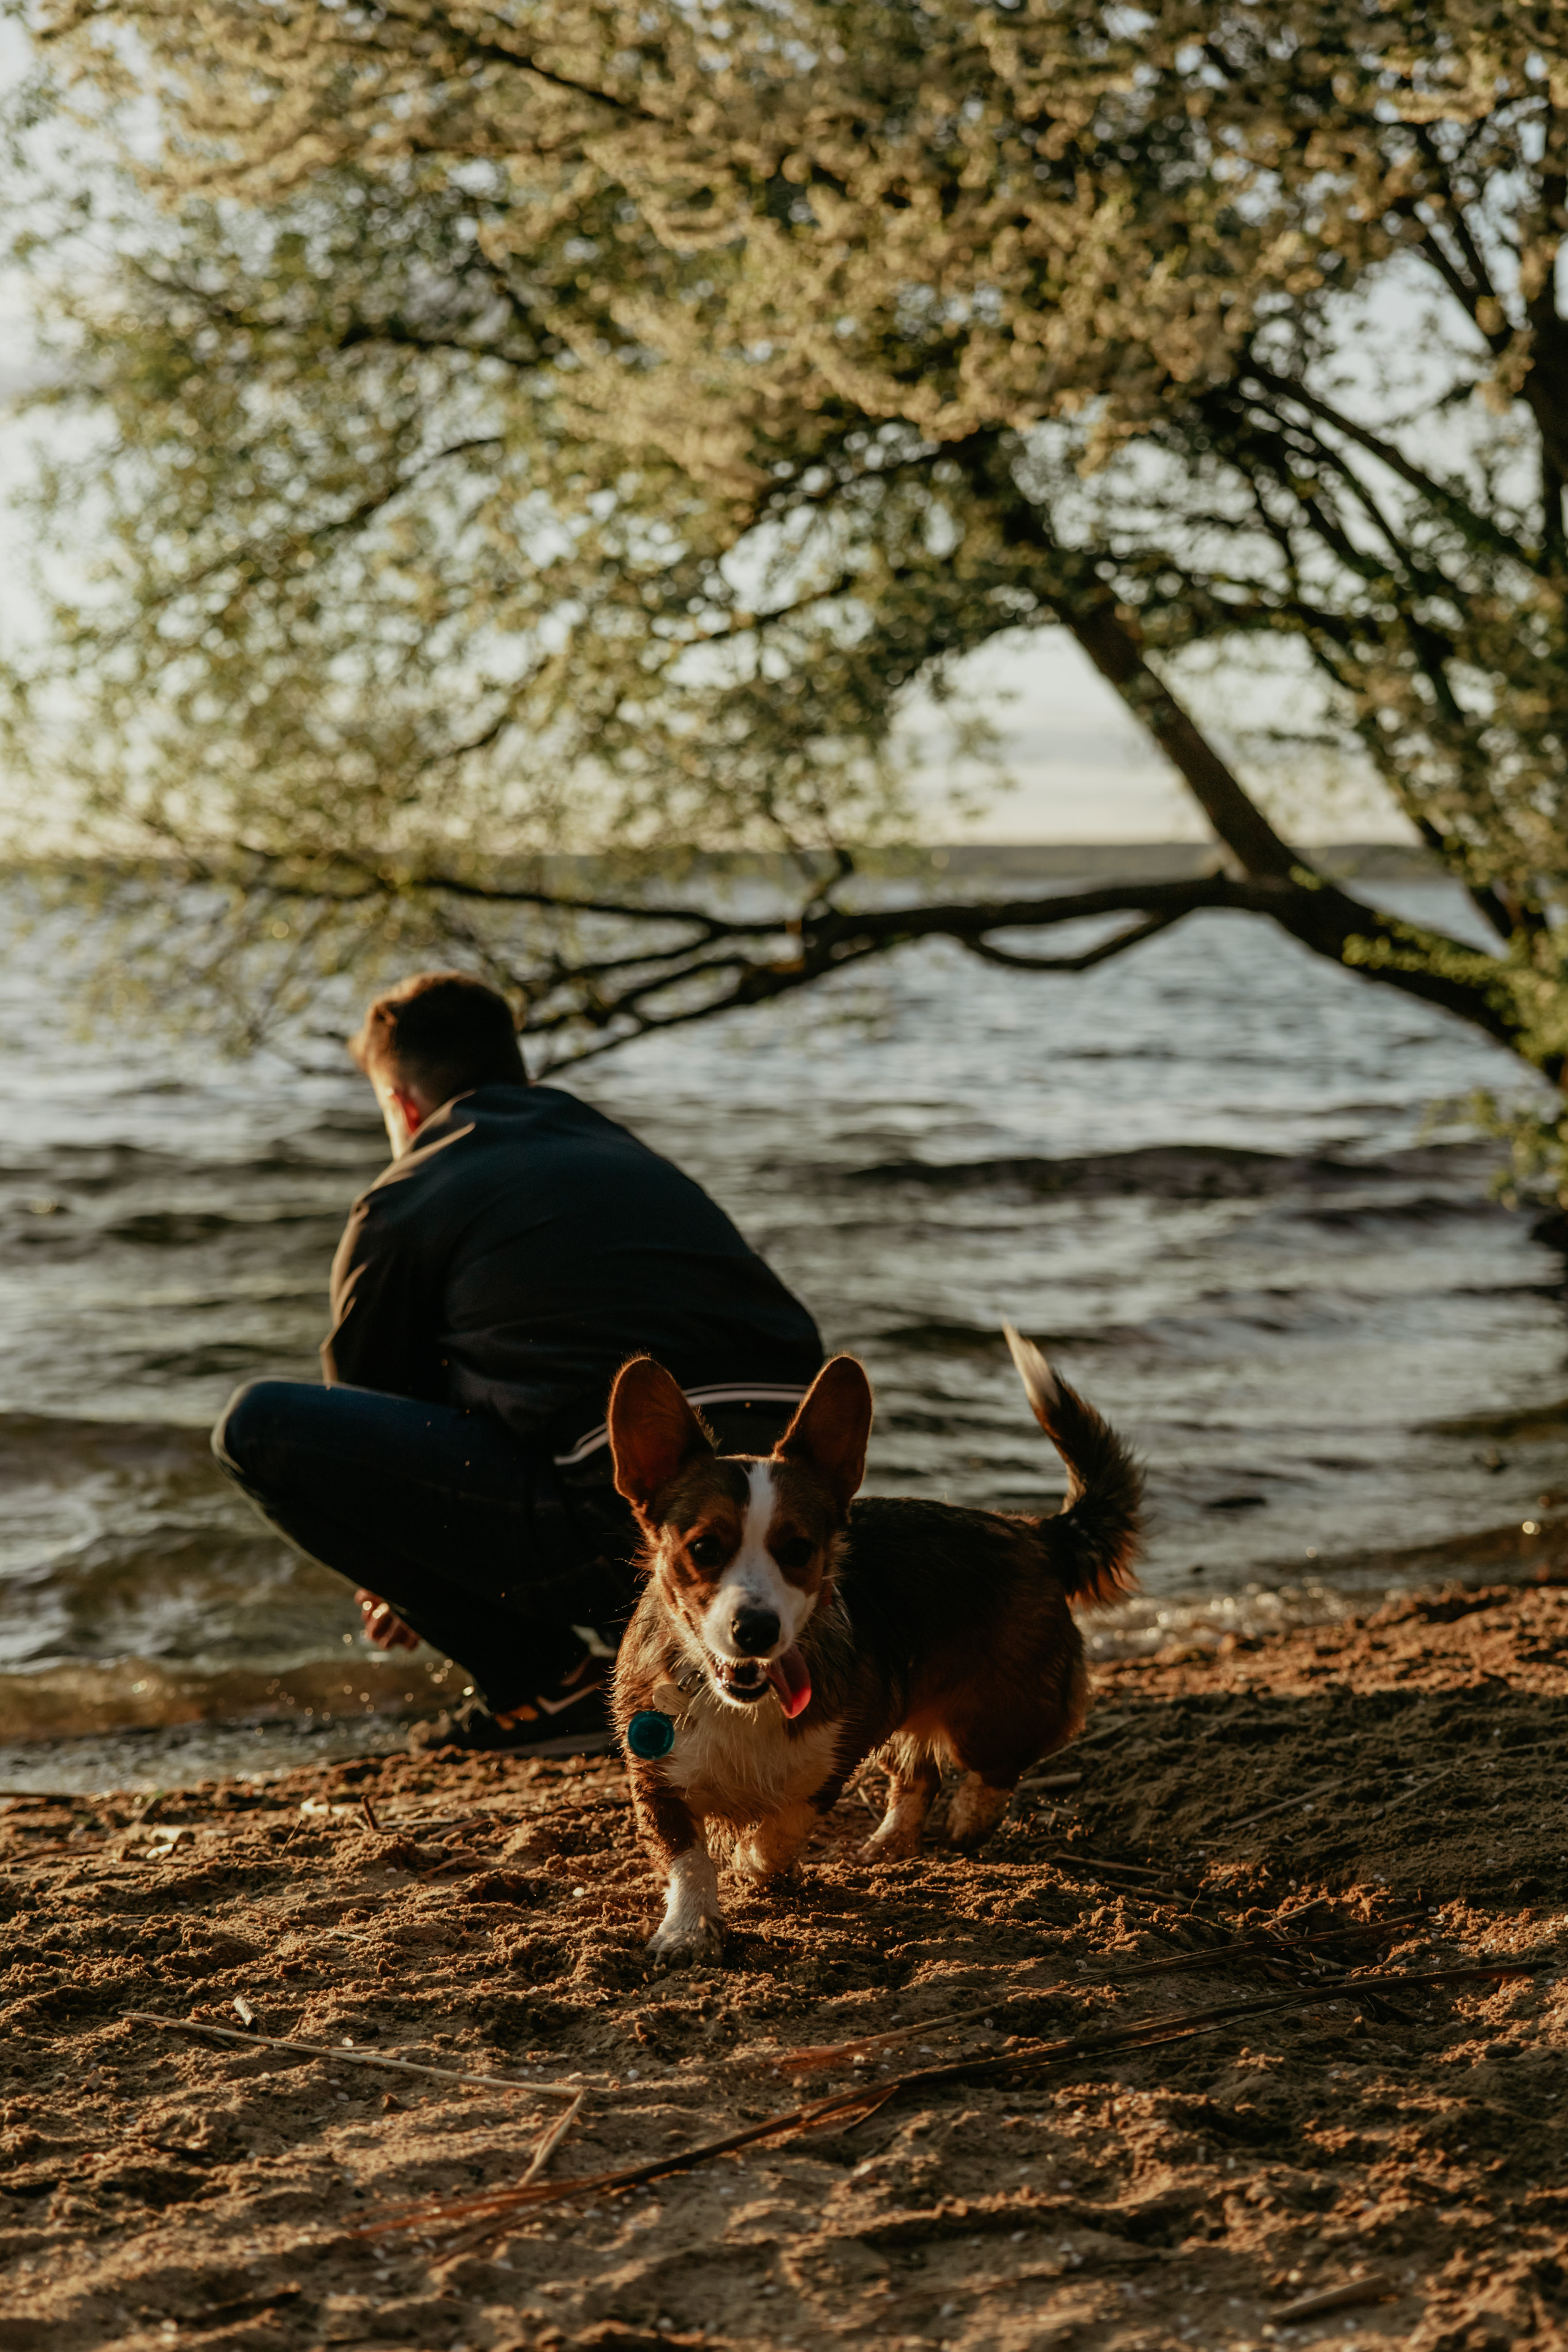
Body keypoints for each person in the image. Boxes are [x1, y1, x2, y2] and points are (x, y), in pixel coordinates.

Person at [213, 971, 824, 1751]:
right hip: (789, 1529)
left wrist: (399, 1579)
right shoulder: (618, 1149)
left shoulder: (406, 1192)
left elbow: (363, 1436)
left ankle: (541, 1685)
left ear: (401, 1105)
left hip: (638, 1535)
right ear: (522, 1074)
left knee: (254, 1430)